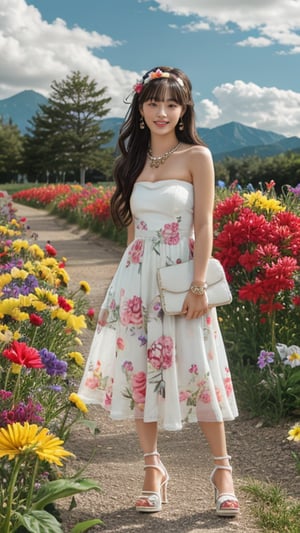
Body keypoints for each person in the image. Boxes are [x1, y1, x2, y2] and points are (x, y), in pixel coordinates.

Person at [78, 66, 239, 517]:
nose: (162, 112)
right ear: (140, 106)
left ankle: (222, 471)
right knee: (136, 374)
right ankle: (152, 470)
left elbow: (205, 225)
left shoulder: (197, 157)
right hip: (136, 281)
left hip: (180, 276)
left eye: (172, 103)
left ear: (184, 108)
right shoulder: (132, 161)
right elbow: (132, 234)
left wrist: (197, 285)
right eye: (153, 102)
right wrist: (116, 292)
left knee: (198, 370)